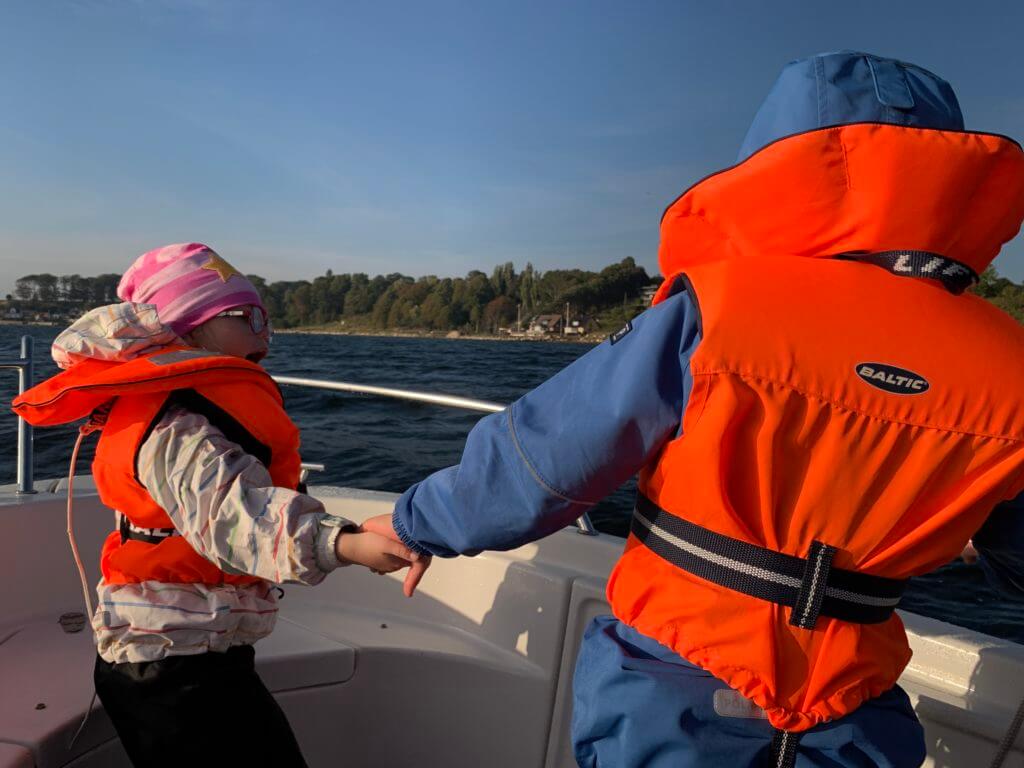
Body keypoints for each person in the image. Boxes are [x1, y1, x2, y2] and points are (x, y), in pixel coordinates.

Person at [365, 51, 1024, 767]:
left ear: (781, 159)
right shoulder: (1009, 363)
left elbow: (540, 465)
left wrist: (414, 523)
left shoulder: (721, 309)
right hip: (854, 714)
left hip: (674, 687)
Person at [14, 242, 423, 767]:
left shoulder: (194, 410)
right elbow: (238, 520)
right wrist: (346, 544)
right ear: (188, 328)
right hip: (171, 666)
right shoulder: (178, 426)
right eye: (246, 316)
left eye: (265, 319)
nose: (265, 335)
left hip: (193, 648)